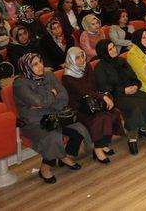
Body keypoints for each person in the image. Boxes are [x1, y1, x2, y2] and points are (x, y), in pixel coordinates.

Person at [14, 53, 91, 184]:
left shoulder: (49, 75)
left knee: (79, 130)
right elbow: (39, 102)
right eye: (34, 64)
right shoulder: (20, 85)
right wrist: (52, 93)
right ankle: (45, 168)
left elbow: (64, 97)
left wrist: (46, 101)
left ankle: (65, 156)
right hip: (35, 122)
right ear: (26, 67)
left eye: (40, 62)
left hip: (56, 114)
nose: (40, 66)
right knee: (53, 137)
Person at [94, 39, 146, 155]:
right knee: (136, 107)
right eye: (110, 49)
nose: (114, 50)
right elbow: (104, 87)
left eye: (114, 47)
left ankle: (144, 129)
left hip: (132, 91)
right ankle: (132, 139)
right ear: (104, 52)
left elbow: (134, 76)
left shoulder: (121, 61)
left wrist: (136, 86)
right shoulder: (100, 67)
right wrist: (123, 90)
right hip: (116, 95)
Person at [61, 47, 124, 164]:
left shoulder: (87, 67)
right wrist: (103, 97)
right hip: (80, 108)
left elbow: (94, 86)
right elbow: (82, 91)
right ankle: (98, 149)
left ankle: (103, 143)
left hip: (94, 103)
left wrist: (106, 95)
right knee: (102, 118)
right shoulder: (67, 77)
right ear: (70, 60)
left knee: (113, 113)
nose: (81, 60)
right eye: (77, 58)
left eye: (82, 56)